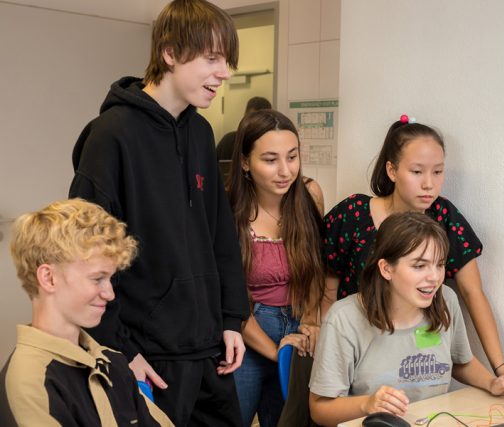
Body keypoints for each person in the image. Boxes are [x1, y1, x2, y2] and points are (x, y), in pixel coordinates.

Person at [68, 1, 250, 425]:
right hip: (148, 358)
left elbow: (219, 235)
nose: (224, 73)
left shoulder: (201, 132)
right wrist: (119, 349)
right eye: (212, 59)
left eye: (227, 61)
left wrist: (230, 319)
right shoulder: (110, 137)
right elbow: (84, 253)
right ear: (169, 53)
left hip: (210, 349)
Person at [322, 116, 504, 382]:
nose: (429, 184)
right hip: (358, 350)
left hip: (413, 361)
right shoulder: (353, 213)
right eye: (417, 172)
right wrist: (324, 336)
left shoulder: (443, 216)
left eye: (438, 172)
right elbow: (327, 288)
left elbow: (472, 291)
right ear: (392, 171)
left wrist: (500, 367)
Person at [310, 212, 504, 426]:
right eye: (419, 266)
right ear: (386, 268)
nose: (434, 277)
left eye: (439, 264)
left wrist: (491, 383)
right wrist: (367, 405)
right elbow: (319, 410)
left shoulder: (446, 300)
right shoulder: (344, 319)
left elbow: (460, 361)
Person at [0, 199, 174, 427]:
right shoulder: (29, 382)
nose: (110, 294)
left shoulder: (114, 362)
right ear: (48, 278)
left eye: (110, 279)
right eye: (97, 279)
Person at [226, 109, 325, 427]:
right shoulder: (228, 211)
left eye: (292, 157)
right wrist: (276, 352)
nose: (285, 171)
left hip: (298, 326)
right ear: (244, 162)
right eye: (270, 160)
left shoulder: (310, 195)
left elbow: (316, 266)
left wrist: (311, 320)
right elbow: (230, 299)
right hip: (248, 333)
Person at [216, 96, 272, 161]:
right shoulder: (228, 140)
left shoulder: (272, 144)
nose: (254, 123)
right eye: (251, 117)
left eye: (259, 119)